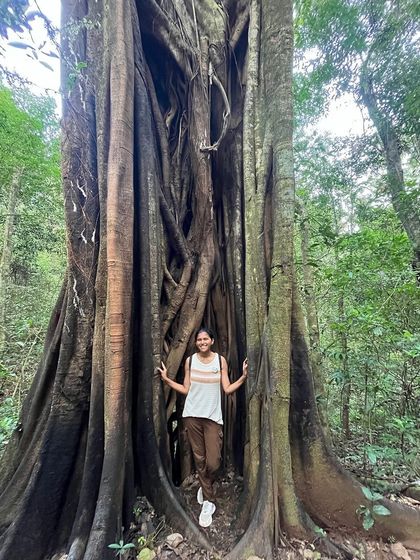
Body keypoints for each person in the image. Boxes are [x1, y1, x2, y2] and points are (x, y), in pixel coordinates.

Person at [158, 327, 248, 528]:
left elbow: (226, 388)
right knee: (199, 459)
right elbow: (185, 388)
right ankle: (208, 500)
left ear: (212, 341)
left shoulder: (220, 361)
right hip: (192, 416)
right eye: (199, 340)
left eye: (205, 339)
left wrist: (242, 377)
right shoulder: (190, 361)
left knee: (213, 461)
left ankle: (205, 484)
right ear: (196, 342)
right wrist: (166, 380)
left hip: (213, 418)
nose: (202, 342)